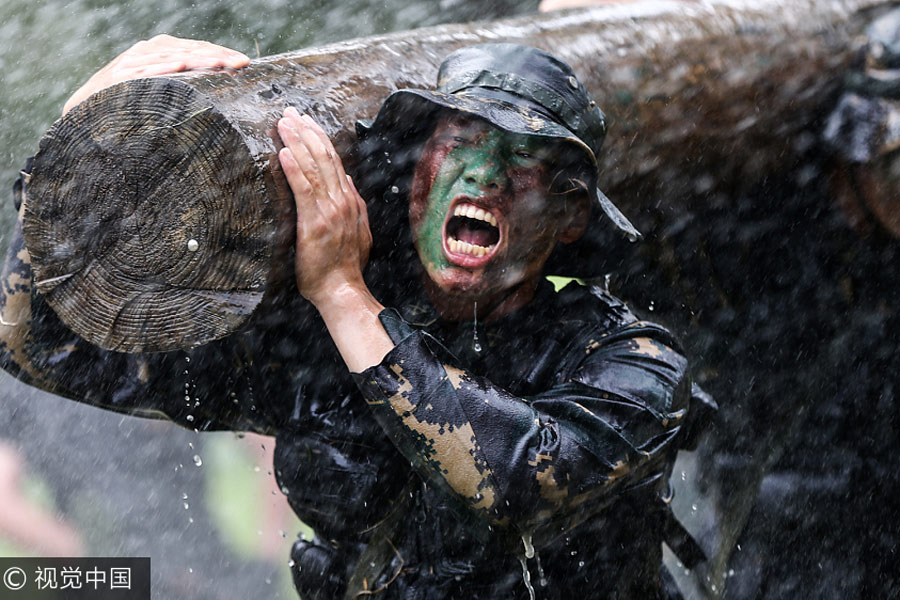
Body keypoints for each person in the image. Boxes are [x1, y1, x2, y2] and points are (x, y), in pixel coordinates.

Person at [0, 35, 713, 599]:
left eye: (521, 160)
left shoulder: (632, 360)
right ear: (417, 175)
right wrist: (72, 140)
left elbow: (516, 486)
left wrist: (343, 293)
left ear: (570, 215)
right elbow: (41, 347)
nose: (485, 176)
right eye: (461, 141)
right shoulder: (320, 345)